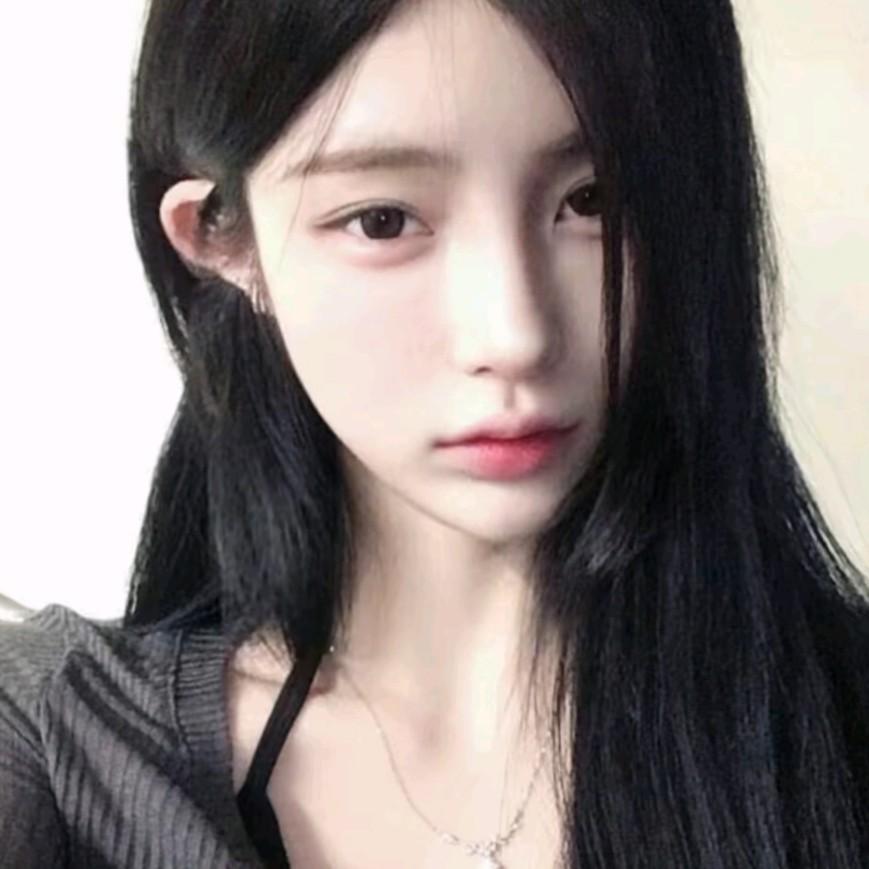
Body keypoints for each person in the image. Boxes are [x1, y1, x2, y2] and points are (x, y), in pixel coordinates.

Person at [1, 0, 867, 866]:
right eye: (382, 219)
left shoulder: (834, 730)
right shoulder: (62, 749)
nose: (514, 333)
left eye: (592, 199)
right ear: (223, 239)